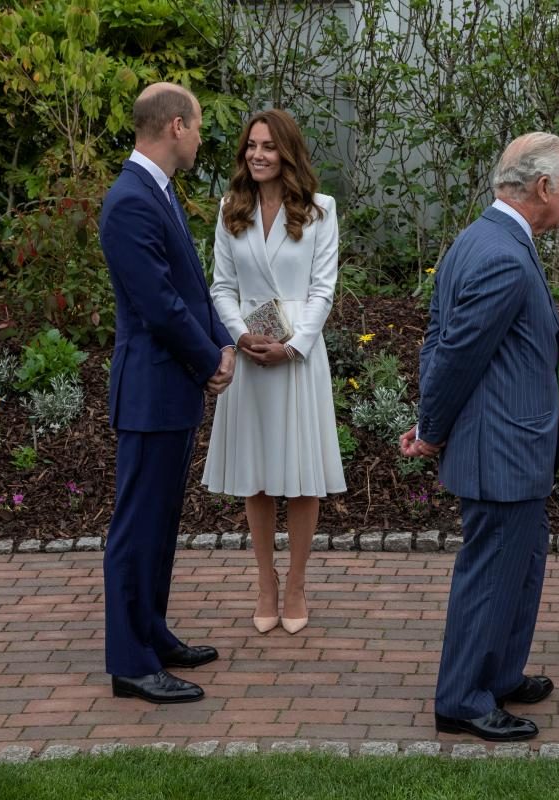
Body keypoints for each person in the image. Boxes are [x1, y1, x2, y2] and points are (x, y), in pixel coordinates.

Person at [399, 132, 559, 742]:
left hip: (509, 445)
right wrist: (432, 428)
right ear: (543, 187)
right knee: (493, 572)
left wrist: (433, 420)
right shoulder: (500, 252)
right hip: (501, 449)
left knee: (520, 567)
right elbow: (453, 353)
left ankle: (499, 674)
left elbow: (436, 338)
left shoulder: (481, 239)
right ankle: (463, 700)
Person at [99, 82, 236, 704]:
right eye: (200, 126)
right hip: (152, 390)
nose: (203, 137)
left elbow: (191, 287)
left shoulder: (159, 193)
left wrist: (221, 344)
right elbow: (156, 304)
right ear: (175, 126)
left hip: (173, 387)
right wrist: (208, 358)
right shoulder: (130, 201)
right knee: (137, 528)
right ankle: (131, 663)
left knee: (161, 524)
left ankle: (152, 634)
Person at [202, 109, 344, 636]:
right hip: (251, 355)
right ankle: (265, 582)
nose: (257, 155)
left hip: (298, 359)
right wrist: (241, 336)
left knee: (302, 476)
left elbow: (323, 289)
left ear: (287, 151)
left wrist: (293, 346)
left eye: (267, 146)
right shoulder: (229, 209)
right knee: (257, 475)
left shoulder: (320, 211)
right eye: (250, 147)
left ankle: (298, 583)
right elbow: (220, 286)